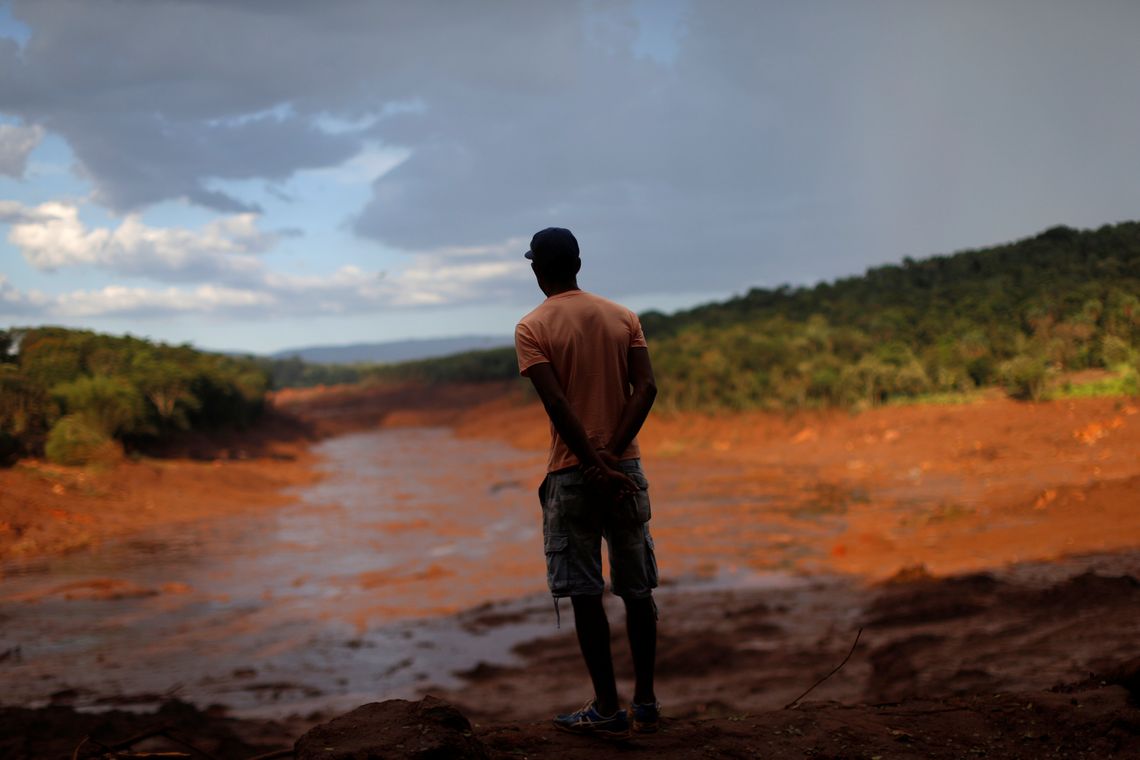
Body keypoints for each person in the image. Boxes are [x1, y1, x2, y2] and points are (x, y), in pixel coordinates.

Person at [513, 227, 660, 737]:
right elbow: (647, 387)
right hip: (625, 469)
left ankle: (605, 708)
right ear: (579, 262)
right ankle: (645, 703)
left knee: (584, 592)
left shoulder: (532, 327)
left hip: (572, 472)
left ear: (537, 270)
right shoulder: (624, 317)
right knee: (637, 590)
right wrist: (613, 457)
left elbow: (557, 403)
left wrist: (593, 464)